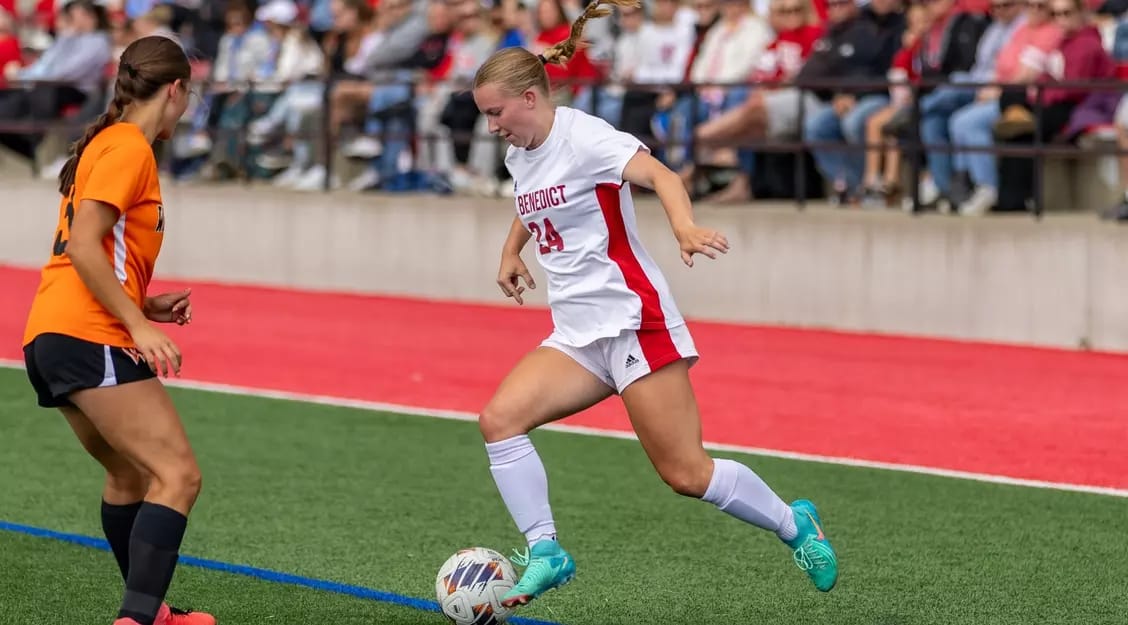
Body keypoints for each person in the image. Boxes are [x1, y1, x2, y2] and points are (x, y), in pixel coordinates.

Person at [470, 0, 839, 609]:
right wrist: (513, 251)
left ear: (530, 98)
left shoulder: (587, 136)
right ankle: (546, 552)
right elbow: (531, 199)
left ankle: (795, 524)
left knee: (687, 475)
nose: (492, 128)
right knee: (498, 422)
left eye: (496, 113)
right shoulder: (521, 151)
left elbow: (663, 175)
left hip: (634, 322)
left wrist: (684, 228)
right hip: (578, 333)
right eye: (485, 116)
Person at [20, 35, 215, 625]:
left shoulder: (107, 142)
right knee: (178, 475)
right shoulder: (130, 147)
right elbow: (82, 246)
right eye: (190, 92)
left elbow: (93, 251)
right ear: (176, 89)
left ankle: (147, 611)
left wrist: (145, 304)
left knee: (129, 474)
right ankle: (137, 618)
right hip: (89, 334)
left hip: (53, 334)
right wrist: (135, 323)